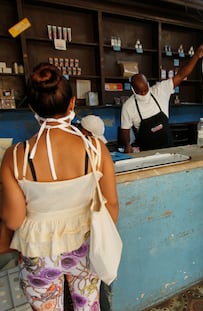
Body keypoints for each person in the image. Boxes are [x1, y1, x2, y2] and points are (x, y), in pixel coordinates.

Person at [0, 63, 119, 310]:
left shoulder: (15, 156)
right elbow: (112, 206)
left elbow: (13, 220)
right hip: (85, 244)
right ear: (72, 103)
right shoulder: (96, 148)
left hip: (38, 250)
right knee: (88, 305)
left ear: (31, 106)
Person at [120, 44, 203, 152]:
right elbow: (125, 130)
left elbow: (181, 75)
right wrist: (127, 145)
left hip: (168, 149)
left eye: (145, 90)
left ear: (148, 84)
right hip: (146, 152)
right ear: (133, 90)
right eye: (139, 92)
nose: (143, 94)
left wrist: (196, 56)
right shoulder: (128, 106)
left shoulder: (160, 90)